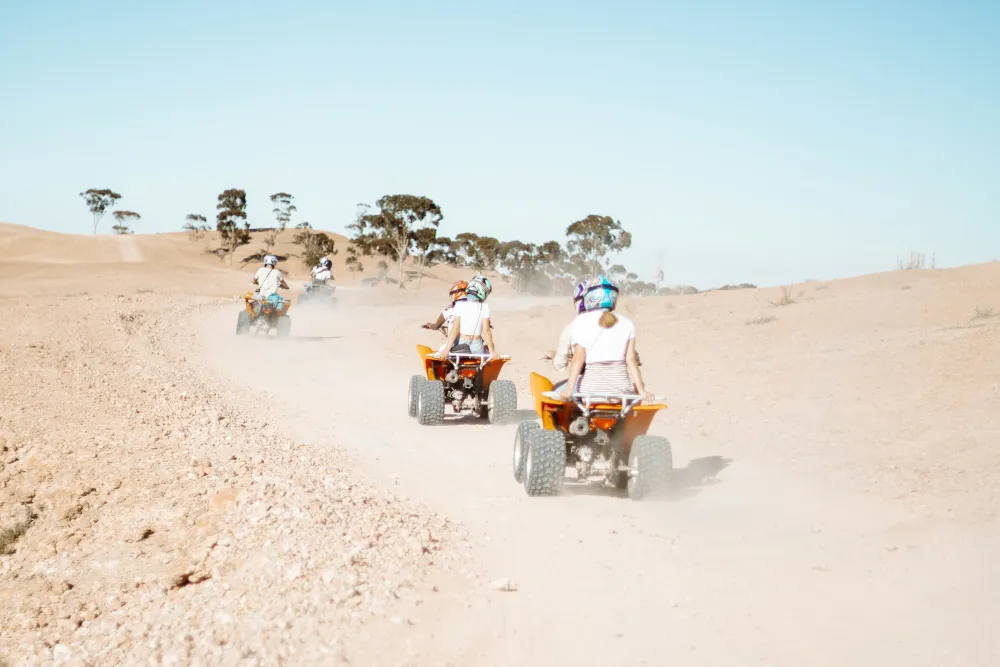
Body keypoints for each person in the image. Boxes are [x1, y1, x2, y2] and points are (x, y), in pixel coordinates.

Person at [559, 275, 652, 402]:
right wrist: (642, 391)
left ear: (589, 297)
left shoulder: (581, 321)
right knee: (631, 389)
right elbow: (631, 360)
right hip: (620, 393)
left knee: (560, 389)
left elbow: (578, 358)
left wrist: (569, 390)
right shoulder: (628, 323)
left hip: (591, 391)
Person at [439, 276, 498, 359]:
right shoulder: (484, 307)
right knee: (487, 361)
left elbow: (455, 329)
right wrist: (492, 352)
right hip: (476, 346)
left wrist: (446, 350)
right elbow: (486, 331)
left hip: (461, 344)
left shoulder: (459, 305)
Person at [423, 281, 468, 355]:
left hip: (454, 346)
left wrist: (430, 325)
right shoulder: (475, 309)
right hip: (471, 345)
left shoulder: (449, 310)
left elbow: (436, 326)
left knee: (435, 354)